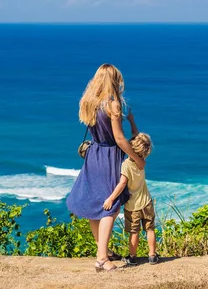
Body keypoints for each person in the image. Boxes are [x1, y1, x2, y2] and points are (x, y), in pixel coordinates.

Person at [65, 64, 145, 273]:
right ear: (115, 79)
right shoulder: (112, 104)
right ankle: (101, 259)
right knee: (112, 205)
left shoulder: (89, 102)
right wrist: (136, 158)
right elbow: (119, 138)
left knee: (95, 204)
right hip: (109, 156)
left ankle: (104, 251)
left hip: (94, 154)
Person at [103, 132, 158, 266]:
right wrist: (132, 121)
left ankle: (132, 257)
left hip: (132, 206)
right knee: (149, 229)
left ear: (130, 147)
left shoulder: (126, 165)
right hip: (147, 202)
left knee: (134, 232)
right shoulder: (142, 162)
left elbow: (122, 184)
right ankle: (152, 256)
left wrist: (110, 199)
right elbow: (137, 137)